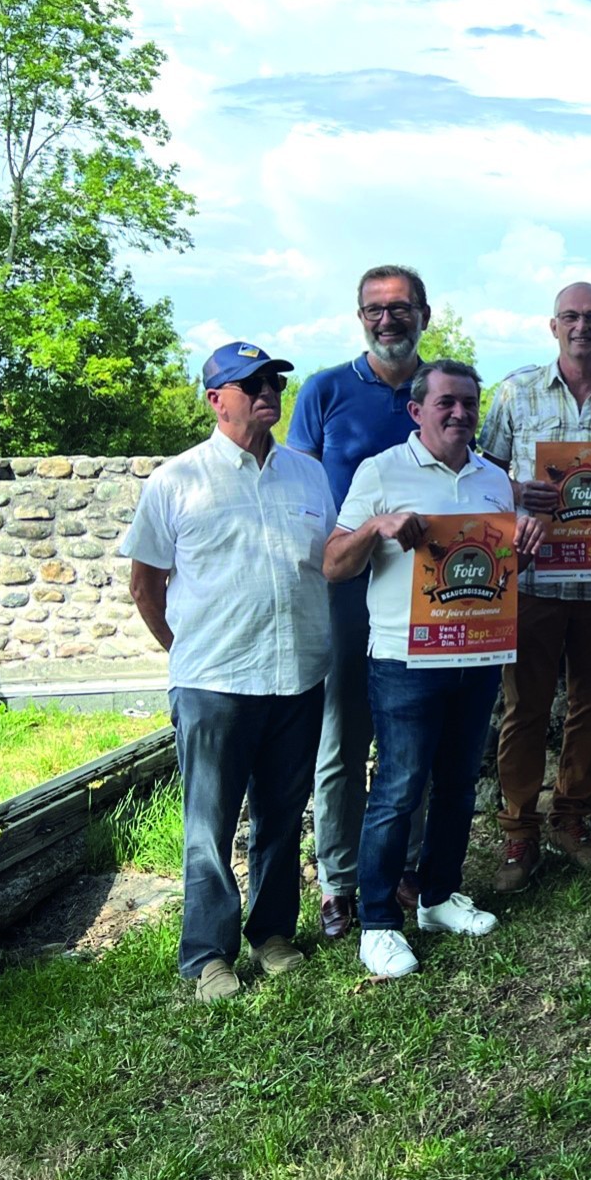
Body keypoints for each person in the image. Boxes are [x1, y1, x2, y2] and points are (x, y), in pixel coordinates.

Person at [122, 343, 335, 1001]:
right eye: (248, 383)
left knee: (280, 815)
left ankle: (271, 934)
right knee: (208, 827)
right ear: (216, 399)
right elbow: (144, 584)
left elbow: (327, 564)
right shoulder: (176, 481)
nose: (266, 390)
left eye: (272, 379)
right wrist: (183, 652)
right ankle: (207, 956)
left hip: (298, 674)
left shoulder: (309, 476)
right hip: (214, 680)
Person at [324, 360, 542, 979]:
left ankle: (439, 897)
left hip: (475, 654)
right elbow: (334, 564)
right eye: (446, 402)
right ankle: (377, 922)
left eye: (469, 403)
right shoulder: (381, 471)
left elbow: (494, 576)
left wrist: (520, 549)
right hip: (404, 659)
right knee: (397, 789)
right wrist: (376, 525)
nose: (460, 413)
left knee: (456, 784)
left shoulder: (494, 479)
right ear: (417, 410)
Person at [480, 283, 591, 892]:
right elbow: (479, 476)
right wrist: (514, 494)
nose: (581, 327)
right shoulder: (515, 391)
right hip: (532, 575)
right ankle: (518, 833)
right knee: (524, 709)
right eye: (570, 317)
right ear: (552, 326)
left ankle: (572, 820)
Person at [288, 264, 434, 940]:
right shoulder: (325, 391)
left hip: (425, 594)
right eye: (374, 309)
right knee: (343, 739)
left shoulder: (443, 391)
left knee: (415, 739)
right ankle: (339, 881)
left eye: (400, 308)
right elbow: (296, 491)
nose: (387, 319)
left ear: (423, 315)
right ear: (360, 317)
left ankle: (403, 866)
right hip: (348, 590)